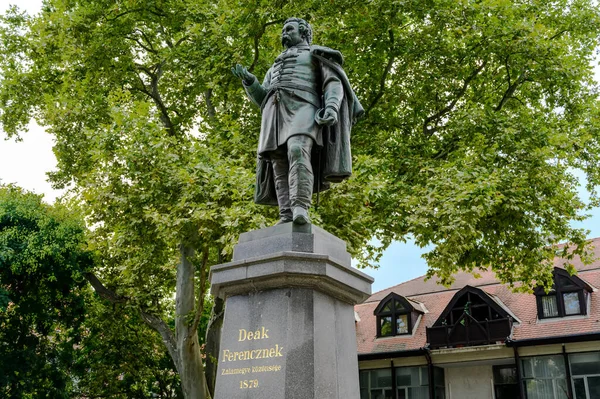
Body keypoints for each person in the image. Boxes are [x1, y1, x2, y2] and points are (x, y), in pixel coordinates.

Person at [232, 17, 363, 225]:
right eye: (283, 30)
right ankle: (285, 214)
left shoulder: (316, 54)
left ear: (303, 33)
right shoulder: (275, 64)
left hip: (304, 107)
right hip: (274, 113)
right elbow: (262, 97)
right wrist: (250, 82)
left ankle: (300, 206)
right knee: (278, 161)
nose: (284, 33)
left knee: (297, 149)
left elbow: (333, 82)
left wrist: (331, 107)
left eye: (288, 29)